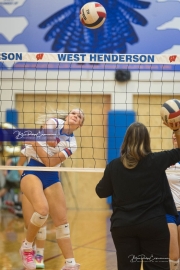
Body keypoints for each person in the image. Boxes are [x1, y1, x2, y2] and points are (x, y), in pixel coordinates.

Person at [96, 121, 180, 270]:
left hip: (123, 226)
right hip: (152, 225)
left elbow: (101, 191)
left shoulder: (114, 166)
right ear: (147, 141)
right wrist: (177, 129)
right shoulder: (157, 160)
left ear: (126, 140)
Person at [18, 108, 84, 270]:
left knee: (61, 222)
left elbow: (51, 162)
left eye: (80, 116)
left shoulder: (72, 144)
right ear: (68, 116)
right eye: (74, 113)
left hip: (52, 174)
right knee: (41, 213)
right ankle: (28, 248)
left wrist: (35, 142)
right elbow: (49, 138)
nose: (76, 116)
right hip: (33, 170)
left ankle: (69, 264)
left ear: (80, 124)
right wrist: (47, 140)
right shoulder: (54, 122)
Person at [166, 132, 180, 270]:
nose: (174, 136)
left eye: (177, 133)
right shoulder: (167, 159)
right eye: (173, 134)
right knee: (174, 256)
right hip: (169, 212)